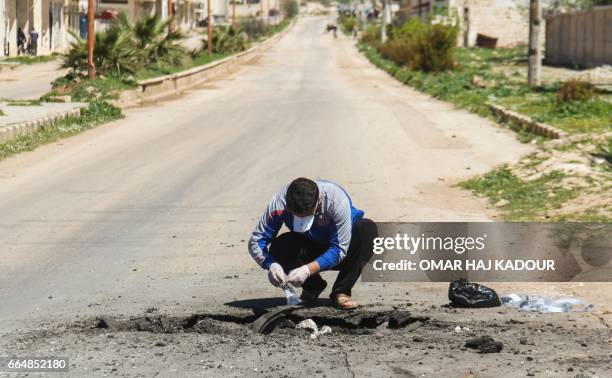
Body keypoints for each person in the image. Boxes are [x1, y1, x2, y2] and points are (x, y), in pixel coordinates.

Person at [249, 178, 378, 310]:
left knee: (367, 230)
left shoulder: (337, 200)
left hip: (343, 249)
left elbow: (339, 249)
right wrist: (271, 264)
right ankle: (312, 287)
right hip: (309, 245)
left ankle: (341, 291)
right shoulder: (279, 203)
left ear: (318, 202)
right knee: (280, 246)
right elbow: (256, 241)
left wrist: (307, 270)